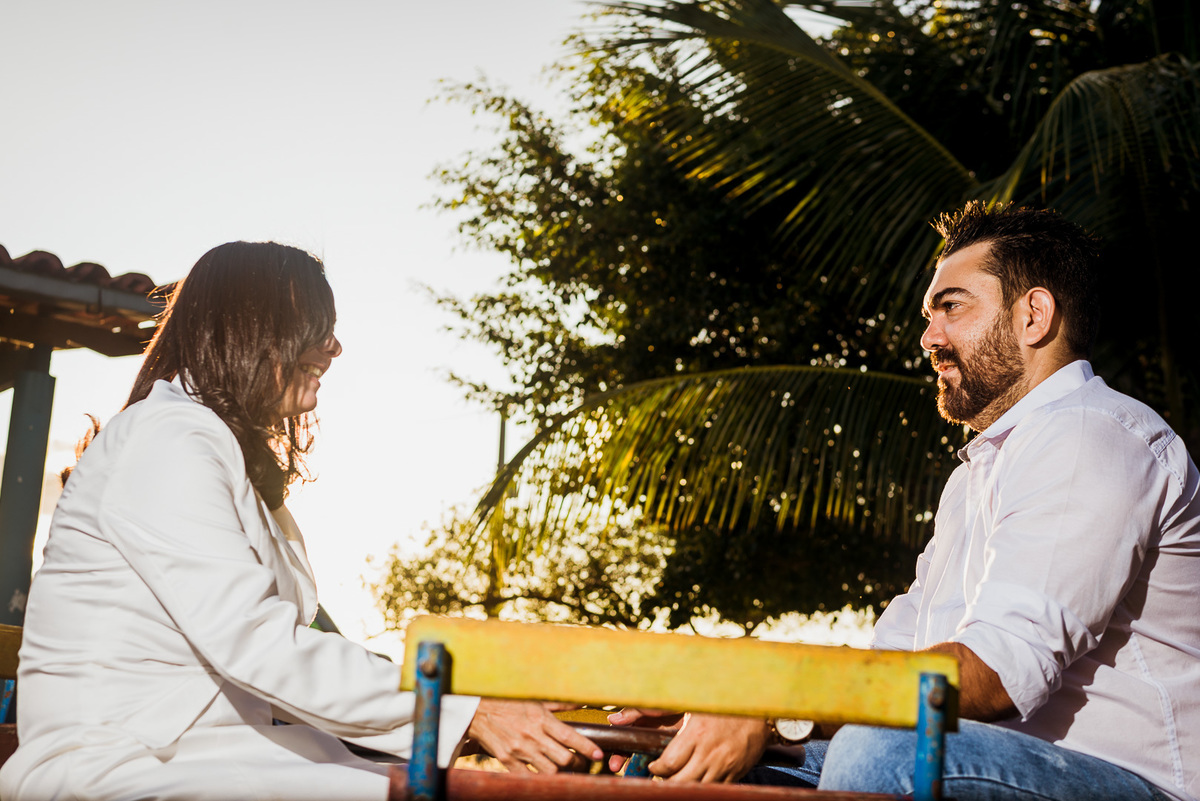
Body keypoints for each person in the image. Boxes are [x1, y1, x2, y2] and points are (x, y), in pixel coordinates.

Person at [615, 203, 1200, 800]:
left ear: (1034, 315)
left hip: (1135, 781)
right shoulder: (978, 475)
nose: (928, 337)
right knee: (671, 765)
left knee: (878, 754)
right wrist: (722, 700)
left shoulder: (1090, 434)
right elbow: (895, 659)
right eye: (929, 315)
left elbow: (995, 675)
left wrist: (768, 707)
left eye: (951, 306)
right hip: (983, 763)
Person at [0, 242, 601, 801]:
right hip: (126, 766)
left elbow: (302, 650)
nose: (334, 347)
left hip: (204, 754)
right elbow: (259, 643)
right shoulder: (166, 438)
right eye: (314, 327)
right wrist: (468, 713)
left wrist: (492, 699)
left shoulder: (223, 457)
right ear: (245, 329)